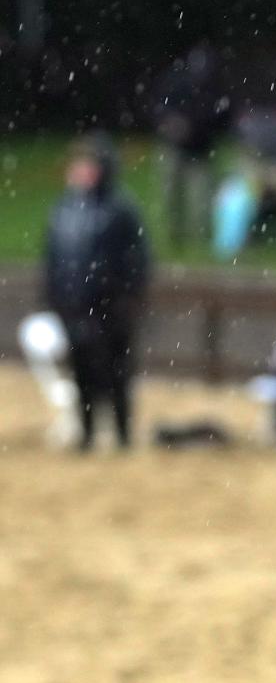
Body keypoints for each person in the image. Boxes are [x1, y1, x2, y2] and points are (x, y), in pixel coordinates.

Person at [43, 133, 150, 451]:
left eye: (88, 164)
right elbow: (53, 258)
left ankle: (122, 435)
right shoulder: (64, 208)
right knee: (82, 372)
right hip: (73, 305)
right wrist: (54, 298)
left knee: (117, 372)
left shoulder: (121, 209)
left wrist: (128, 298)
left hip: (110, 306)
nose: (81, 171)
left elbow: (138, 259)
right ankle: (87, 435)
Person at [148, 42, 233, 246]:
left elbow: (223, 119)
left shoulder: (215, 89)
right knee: (171, 195)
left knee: (202, 198)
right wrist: (172, 124)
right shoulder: (175, 82)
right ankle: (173, 235)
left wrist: (198, 127)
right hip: (173, 148)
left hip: (201, 150)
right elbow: (158, 108)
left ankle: (200, 238)